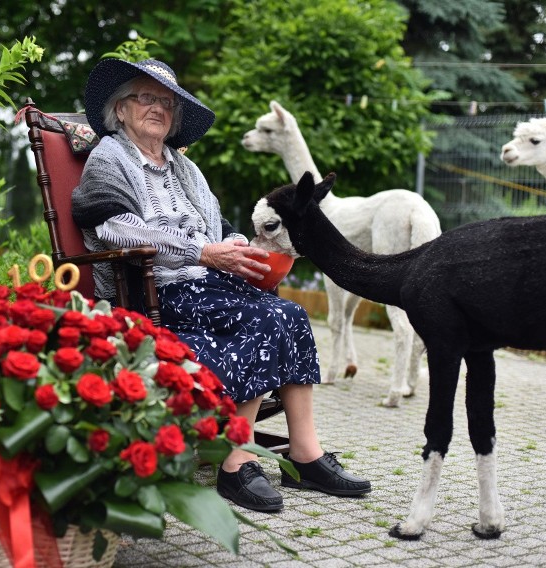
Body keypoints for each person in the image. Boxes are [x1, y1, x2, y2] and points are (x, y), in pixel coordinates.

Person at [71, 58, 371, 512]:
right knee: (266, 319)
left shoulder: (183, 168)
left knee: (292, 314)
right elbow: (116, 230)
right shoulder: (109, 158)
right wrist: (203, 254)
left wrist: (235, 248)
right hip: (157, 293)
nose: (157, 108)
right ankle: (235, 464)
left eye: (167, 102)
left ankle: (305, 454)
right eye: (145, 97)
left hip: (206, 287)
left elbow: (218, 227)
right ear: (121, 109)